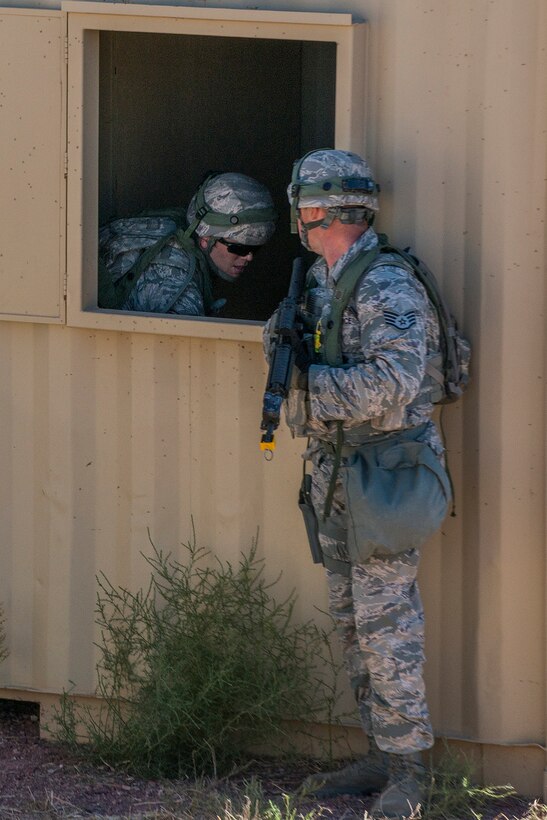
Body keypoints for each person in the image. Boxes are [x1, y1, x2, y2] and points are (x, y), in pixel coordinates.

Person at [266, 149, 447, 819]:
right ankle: (378, 750)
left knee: (386, 624)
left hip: (386, 471)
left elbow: (394, 385)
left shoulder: (386, 286)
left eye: (306, 206)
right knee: (349, 620)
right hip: (338, 472)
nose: (300, 218)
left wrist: (306, 386)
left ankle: (408, 772)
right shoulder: (318, 279)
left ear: (334, 210)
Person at [98, 172, 277, 316]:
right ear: (206, 240)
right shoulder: (178, 288)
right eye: (239, 248)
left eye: (255, 249)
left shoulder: (180, 227)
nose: (249, 257)